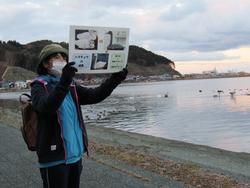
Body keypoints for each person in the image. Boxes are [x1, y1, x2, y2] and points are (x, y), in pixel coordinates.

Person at [31, 43, 127, 188]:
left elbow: (95, 95)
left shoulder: (71, 85)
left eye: (64, 56)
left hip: (75, 156)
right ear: (45, 63)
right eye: (56, 57)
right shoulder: (39, 86)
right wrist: (64, 80)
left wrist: (115, 79)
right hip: (54, 158)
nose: (62, 59)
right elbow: (47, 107)